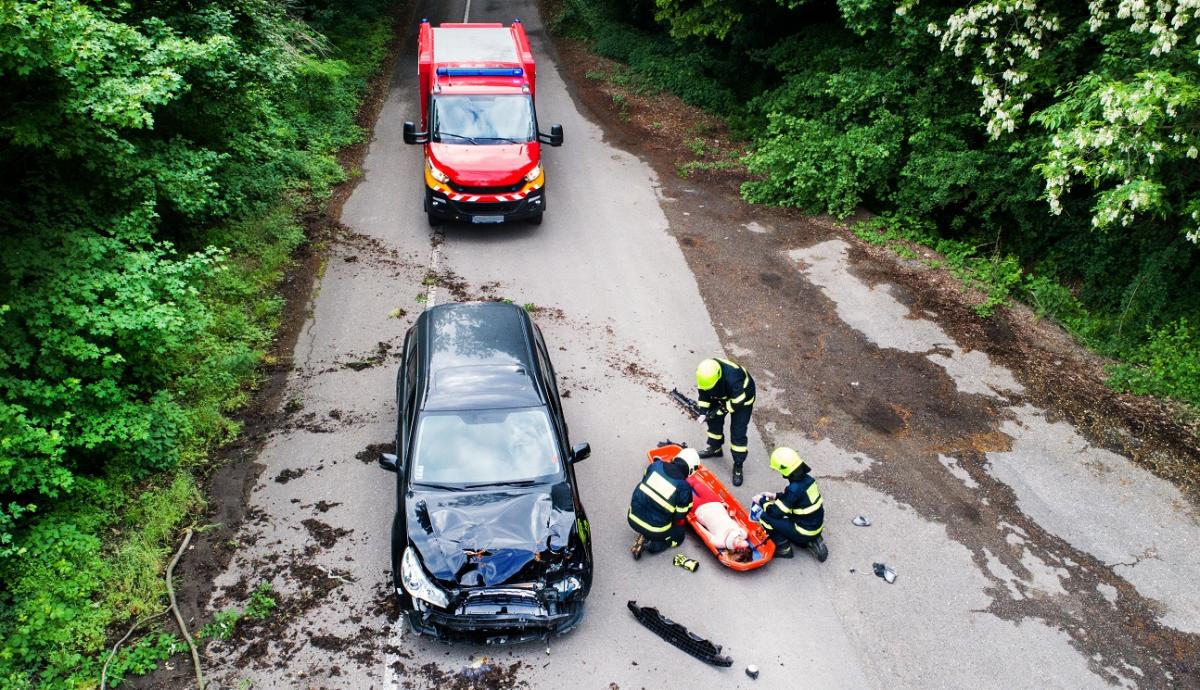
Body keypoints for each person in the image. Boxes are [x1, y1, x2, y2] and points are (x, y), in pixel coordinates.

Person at [755, 447, 828, 561]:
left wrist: (762, 501)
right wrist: (775, 496)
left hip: (803, 530)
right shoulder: (809, 481)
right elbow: (797, 500)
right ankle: (813, 539)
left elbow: (775, 513)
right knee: (787, 514)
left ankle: (784, 548)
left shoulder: (793, 489)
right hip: (816, 526)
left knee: (765, 517)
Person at [695, 358, 756, 486]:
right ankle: (715, 448)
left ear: (718, 377)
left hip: (742, 398)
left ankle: (738, 465)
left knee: (738, 431)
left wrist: (720, 410)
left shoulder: (732, 377)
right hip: (721, 394)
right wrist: (703, 412)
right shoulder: (705, 377)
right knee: (713, 423)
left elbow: (738, 401)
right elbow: (704, 395)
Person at [628, 448, 696, 559]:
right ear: (691, 470)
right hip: (655, 529)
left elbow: (644, 479)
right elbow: (680, 515)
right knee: (678, 536)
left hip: (633, 516)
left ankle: (644, 533)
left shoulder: (656, 465)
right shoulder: (683, 487)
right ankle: (651, 545)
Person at [687, 469, 751, 557]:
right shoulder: (743, 533)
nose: (740, 539)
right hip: (715, 502)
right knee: (694, 482)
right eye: (743, 541)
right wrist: (729, 511)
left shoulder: (720, 542)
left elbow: (702, 531)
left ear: (734, 550)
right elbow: (734, 519)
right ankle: (678, 466)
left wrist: (693, 520)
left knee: (681, 491)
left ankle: (670, 477)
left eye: (740, 543)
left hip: (700, 509)